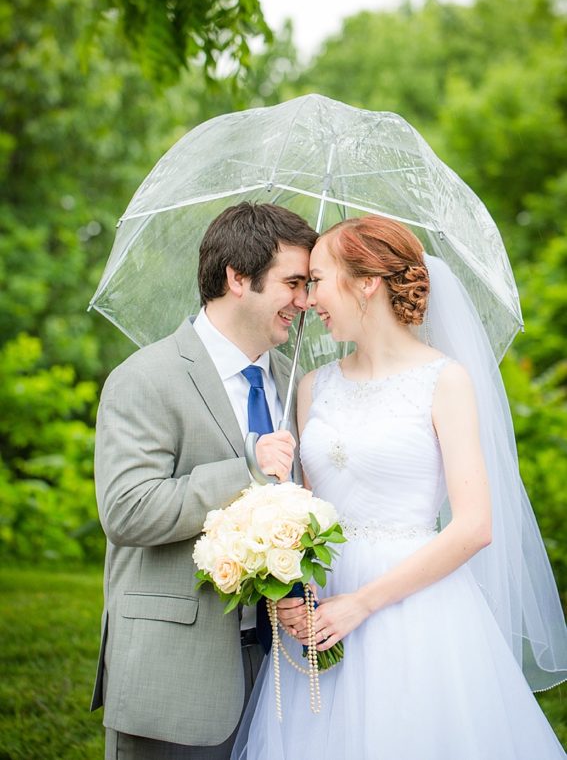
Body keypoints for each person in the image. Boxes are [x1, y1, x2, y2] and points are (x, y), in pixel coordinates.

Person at [232, 215, 567, 760]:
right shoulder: (315, 386)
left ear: (367, 282)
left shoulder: (445, 380)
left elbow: (474, 526)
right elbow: (310, 516)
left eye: (317, 280)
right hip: (326, 602)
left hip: (412, 605)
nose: (307, 298)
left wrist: (360, 604)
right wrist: (296, 591)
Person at [91, 202, 318, 760]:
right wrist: (245, 472)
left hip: (279, 667)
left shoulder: (295, 385)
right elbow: (126, 510)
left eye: (309, 285)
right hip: (176, 668)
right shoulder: (145, 378)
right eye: (293, 283)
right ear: (237, 278)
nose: (306, 301)